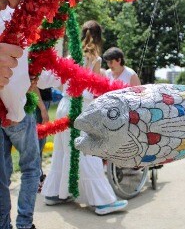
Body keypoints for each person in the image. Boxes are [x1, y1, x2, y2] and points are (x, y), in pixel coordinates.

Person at [0, 0, 65, 229]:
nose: (14, 0)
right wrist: (18, 111)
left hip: (15, 108)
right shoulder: (16, 16)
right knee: (28, 170)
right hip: (15, 112)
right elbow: (19, 74)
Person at [40, 20, 128, 215]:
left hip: (65, 105)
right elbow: (96, 89)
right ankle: (102, 201)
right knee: (88, 152)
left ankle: (55, 193)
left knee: (63, 150)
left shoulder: (72, 56)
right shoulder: (95, 60)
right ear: (99, 37)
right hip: (81, 108)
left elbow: (62, 85)